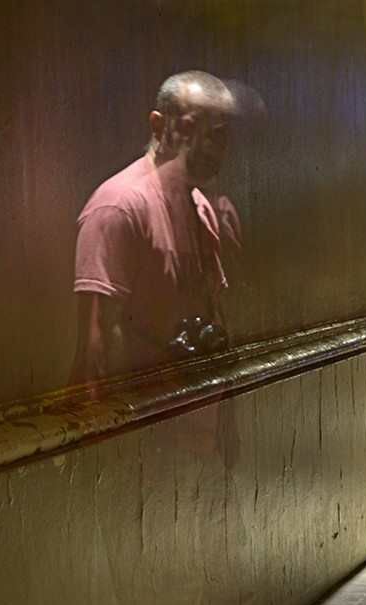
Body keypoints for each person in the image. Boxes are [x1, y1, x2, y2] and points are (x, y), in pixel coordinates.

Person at [71, 71, 238, 384]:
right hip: (142, 414)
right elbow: (97, 345)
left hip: (191, 410)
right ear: (158, 125)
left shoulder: (200, 208)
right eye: (191, 127)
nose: (207, 145)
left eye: (218, 133)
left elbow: (213, 308)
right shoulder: (119, 206)